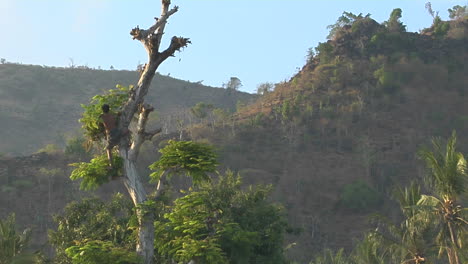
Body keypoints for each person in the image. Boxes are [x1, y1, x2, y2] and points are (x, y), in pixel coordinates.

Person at [100, 104, 127, 168]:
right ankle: (124, 133)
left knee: (108, 149)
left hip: (111, 134)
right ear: (109, 109)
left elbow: (100, 126)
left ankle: (111, 165)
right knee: (120, 135)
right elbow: (118, 115)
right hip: (117, 131)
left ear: (102, 110)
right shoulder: (113, 115)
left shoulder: (101, 117)